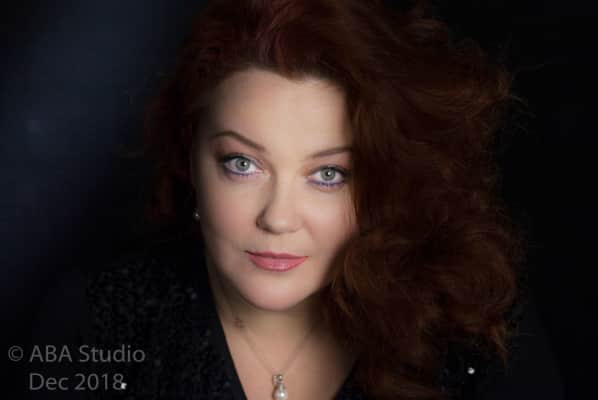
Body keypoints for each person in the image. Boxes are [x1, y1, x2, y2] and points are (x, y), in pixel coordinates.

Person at [69, 0, 563, 399]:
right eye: (242, 164)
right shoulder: (95, 322)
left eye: (328, 174)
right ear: (190, 156)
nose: (278, 218)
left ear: (386, 179)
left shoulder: (473, 327)